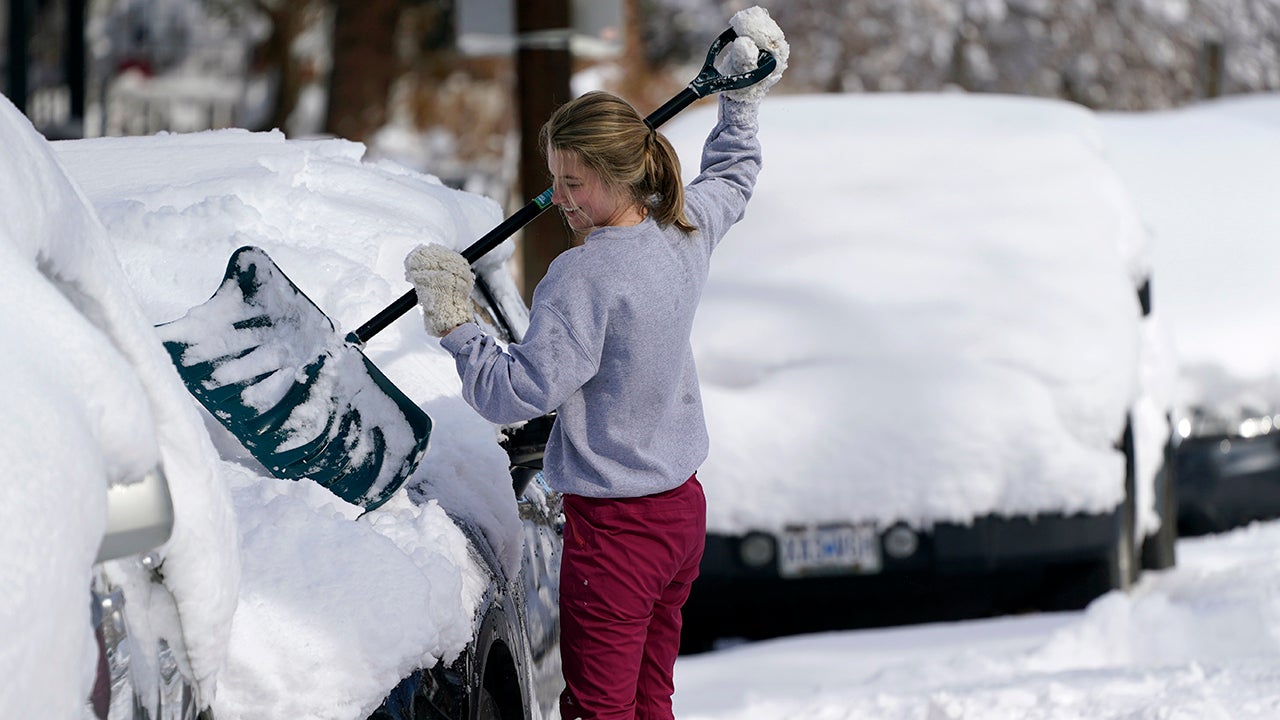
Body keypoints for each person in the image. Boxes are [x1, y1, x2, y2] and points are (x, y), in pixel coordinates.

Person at [403, 8, 787, 718]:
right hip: (679, 518)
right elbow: (733, 176)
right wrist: (740, 105)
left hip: (616, 532)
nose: (561, 201)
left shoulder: (583, 279)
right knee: (648, 700)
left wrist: (456, 323)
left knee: (600, 710)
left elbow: (513, 393)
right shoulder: (684, 228)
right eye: (554, 181)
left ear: (622, 172)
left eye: (576, 183)